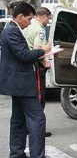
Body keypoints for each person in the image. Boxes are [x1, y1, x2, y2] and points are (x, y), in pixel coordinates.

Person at [0, 2, 61, 158]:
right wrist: (44, 51)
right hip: (22, 83)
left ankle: (17, 154)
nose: (29, 21)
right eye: (28, 18)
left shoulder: (12, 30)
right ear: (19, 17)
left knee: (19, 120)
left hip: (17, 83)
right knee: (38, 119)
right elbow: (24, 55)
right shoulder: (12, 31)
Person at [23, 7, 52, 137]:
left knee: (28, 99)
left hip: (26, 66)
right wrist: (46, 63)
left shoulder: (28, 26)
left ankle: (29, 126)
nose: (48, 21)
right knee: (39, 99)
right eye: (48, 18)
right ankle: (37, 129)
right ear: (43, 16)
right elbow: (38, 52)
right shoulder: (40, 29)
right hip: (36, 67)